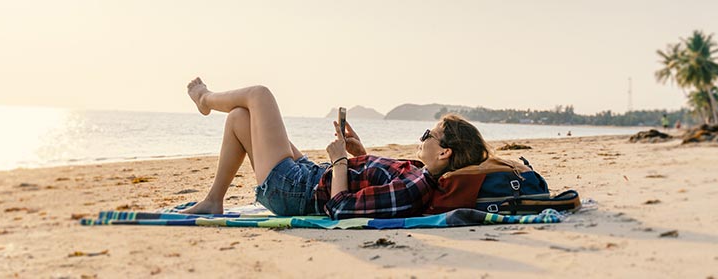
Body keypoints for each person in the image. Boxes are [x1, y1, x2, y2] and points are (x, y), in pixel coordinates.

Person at [181, 77, 490, 219]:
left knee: (260, 95)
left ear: (444, 152)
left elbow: (340, 208)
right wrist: (359, 154)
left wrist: (340, 160)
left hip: (295, 191)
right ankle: (214, 200)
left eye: (429, 134)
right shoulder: (420, 176)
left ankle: (205, 99)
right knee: (240, 118)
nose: (421, 139)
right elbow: (374, 184)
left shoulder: (415, 188)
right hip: (309, 178)